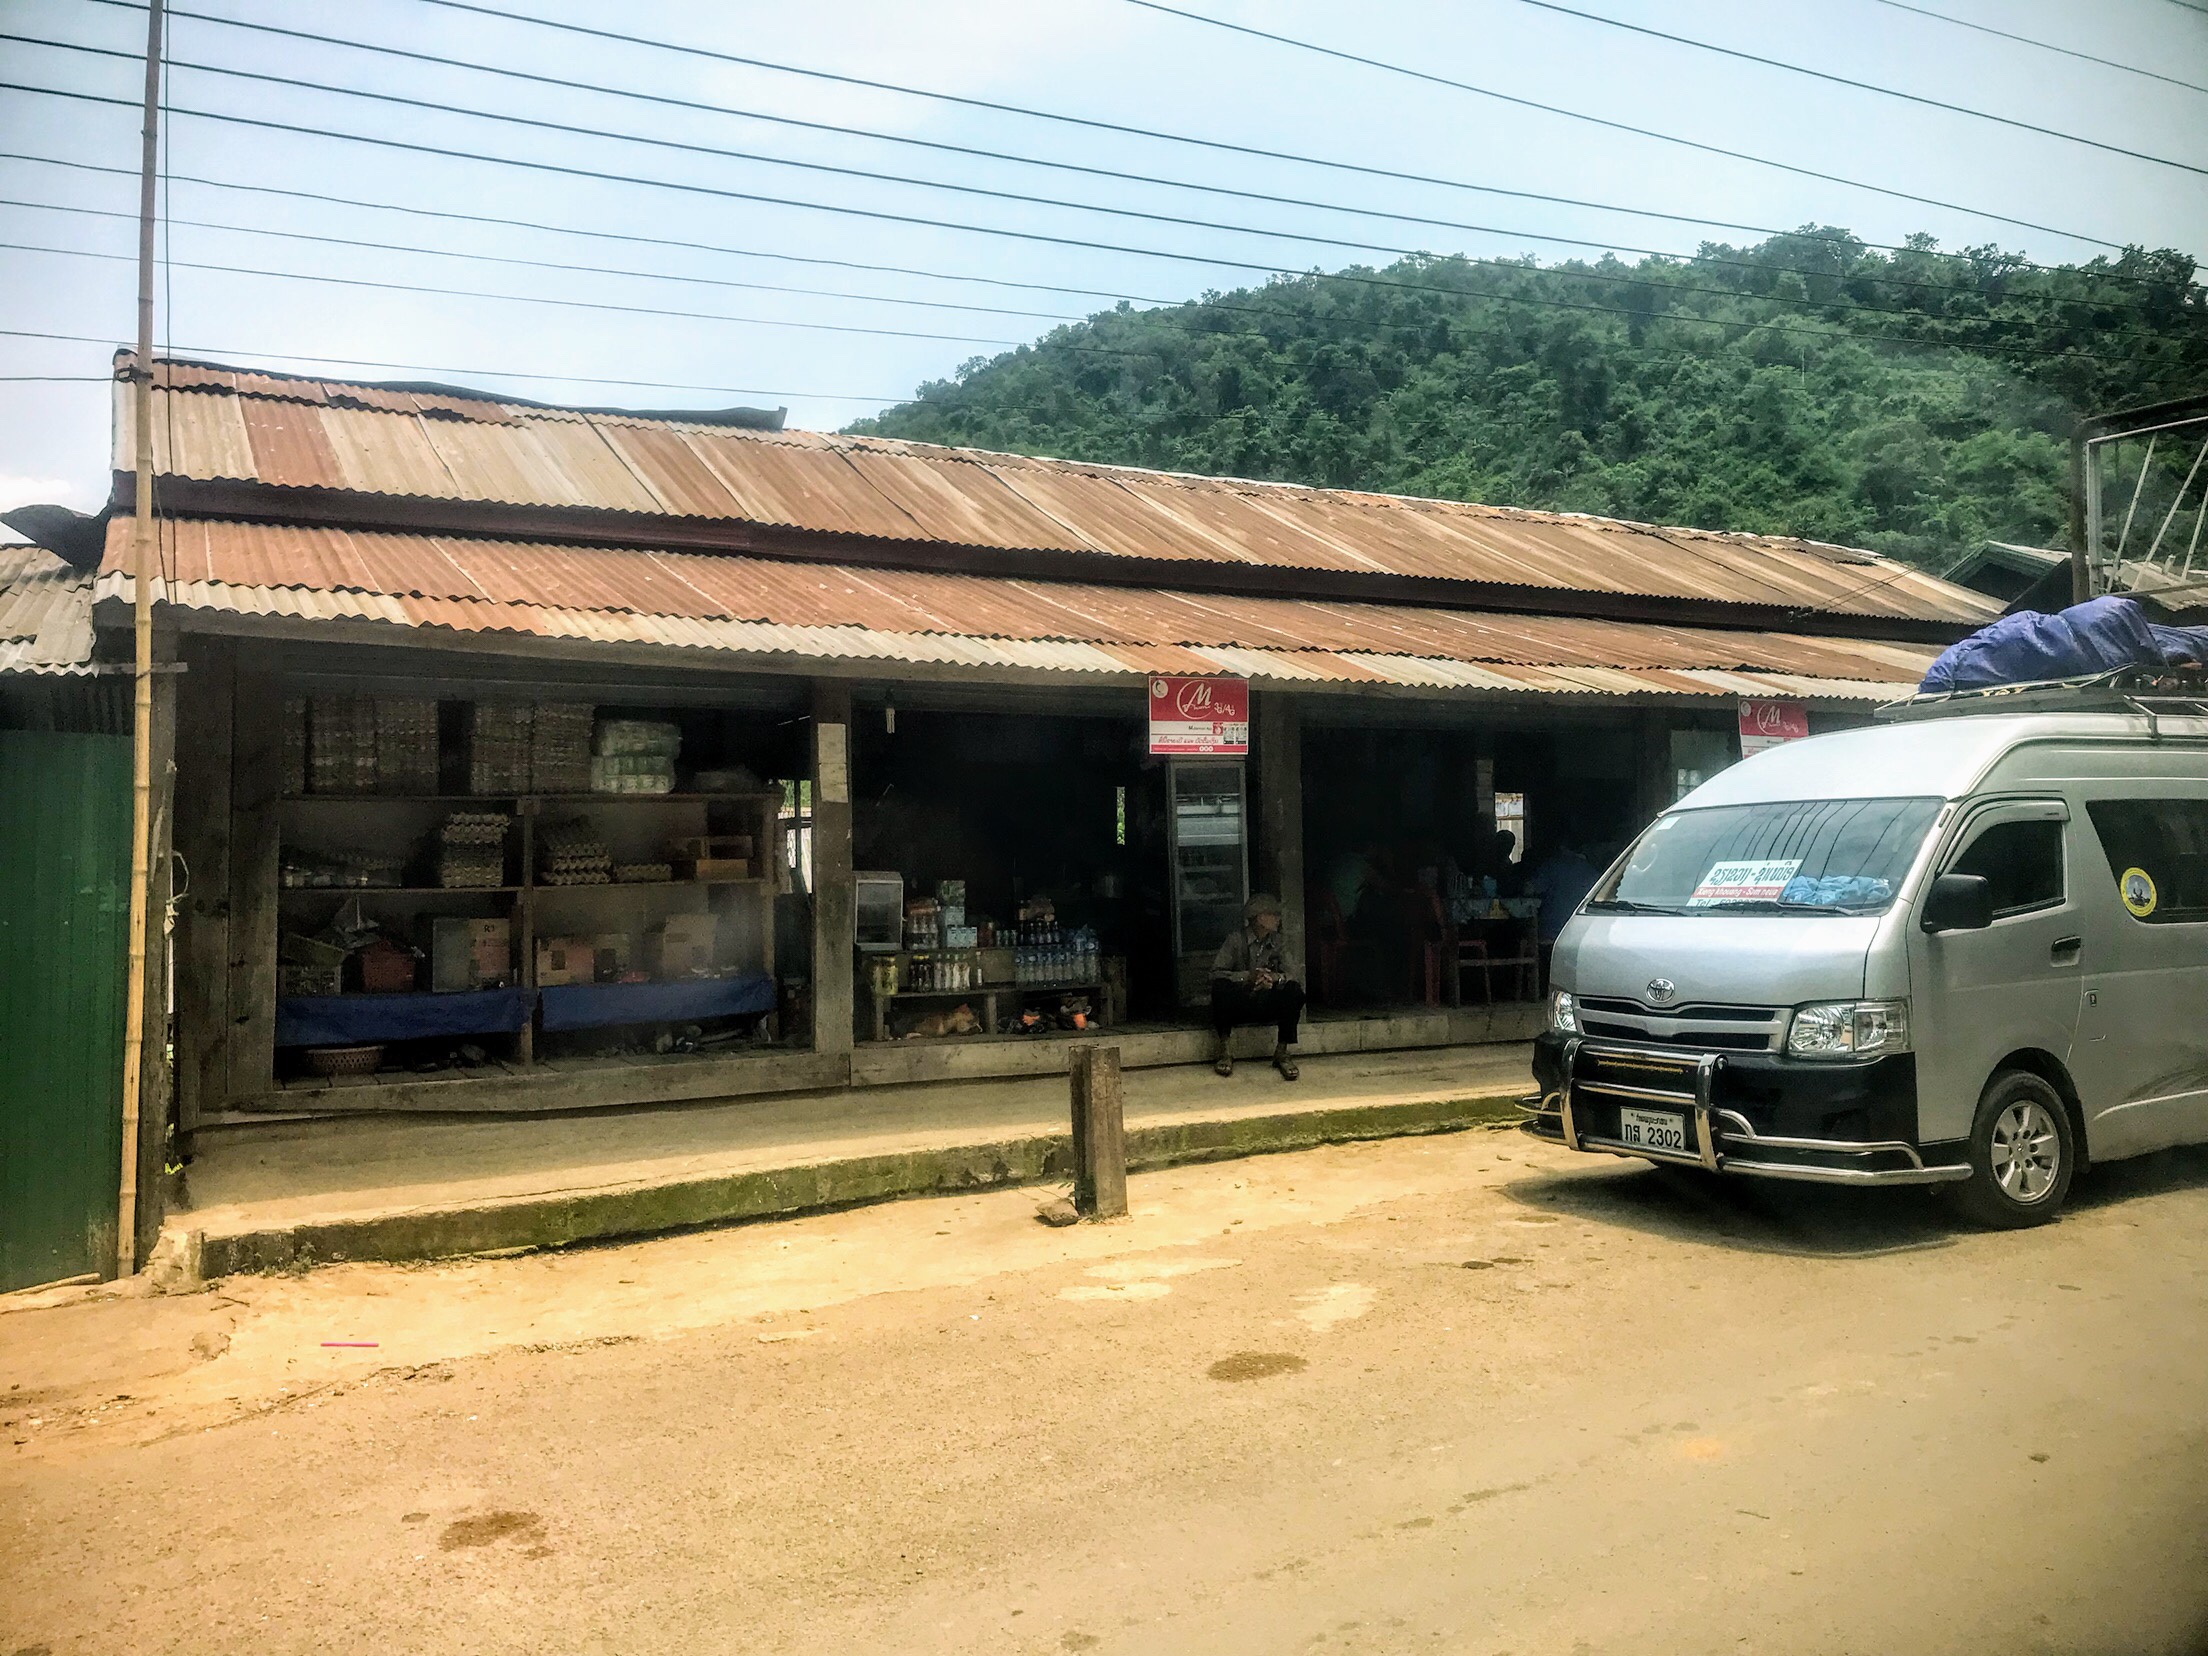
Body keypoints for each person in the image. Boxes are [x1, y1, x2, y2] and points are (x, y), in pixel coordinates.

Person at [1210, 893, 1305, 1080]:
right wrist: (1247, 977)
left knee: (1294, 990)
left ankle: (1282, 1051)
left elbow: (1293, 973)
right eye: (1273, 915)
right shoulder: (1235, 940)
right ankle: (1225, 1050)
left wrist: (1274, 979)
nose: (1278, 919)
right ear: (1260, 918)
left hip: (1267, 1001)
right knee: (1220, 988)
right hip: (1241, 1002)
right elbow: (1216, 973)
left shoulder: (1279, 941)